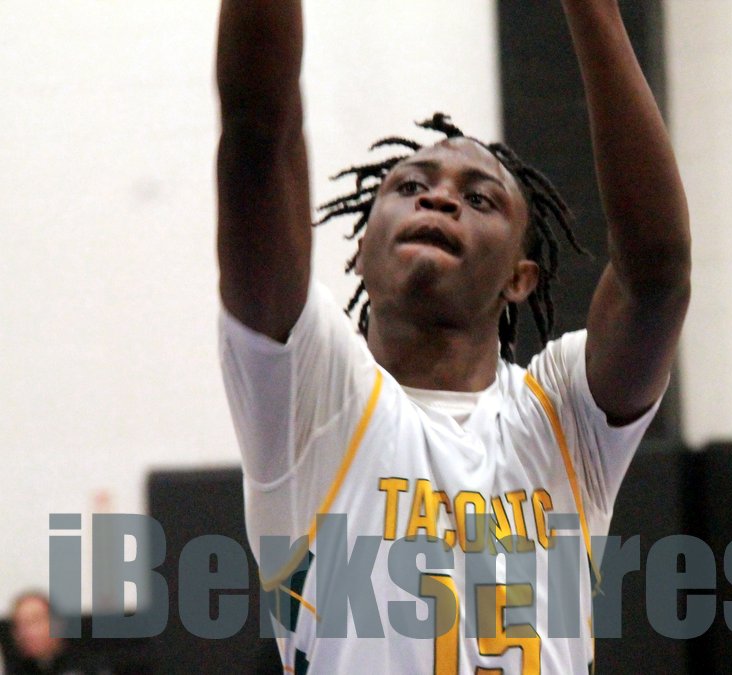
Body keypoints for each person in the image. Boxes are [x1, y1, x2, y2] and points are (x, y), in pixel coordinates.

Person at [216, 0, 690, 672]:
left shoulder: (559, 413)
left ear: (521, 277)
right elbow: (257, 136)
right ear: (360, 251)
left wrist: (595, 11)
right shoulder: (312, 393)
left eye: (479, 198)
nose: (438, 198)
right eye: (410, 185)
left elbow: (658, 276)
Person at [4, 593, 110, 675]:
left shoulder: (89, 665)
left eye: (35, 621)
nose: (27, 632)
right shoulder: (14, 669)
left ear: (57, 624)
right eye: (20, 625)